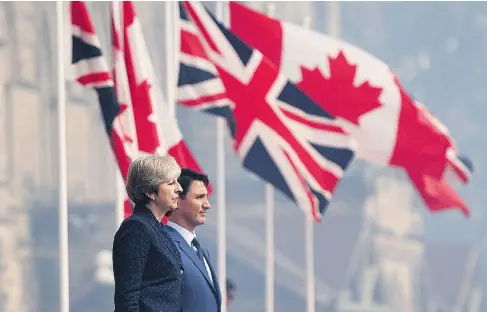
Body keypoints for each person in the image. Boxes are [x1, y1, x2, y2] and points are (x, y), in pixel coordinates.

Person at [112, 154, 184, 312]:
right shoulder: (137, 228)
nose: (179, 188)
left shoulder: (155, 227)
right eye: (171, 183)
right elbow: (127, 299)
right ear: (150, 192)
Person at [166, 168, 222, 312]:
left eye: (206, 197)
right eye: (199, 197)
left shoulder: (201, 252)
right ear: (176, 200)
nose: (207, 205)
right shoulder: (164, 246)